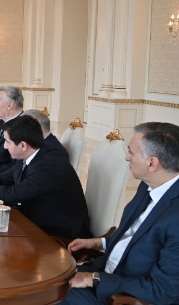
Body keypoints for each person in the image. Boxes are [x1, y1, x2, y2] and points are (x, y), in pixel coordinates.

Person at [63, 122, 179, 305]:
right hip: (104, 272)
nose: (126, 157)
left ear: (152, 163)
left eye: (131, 152)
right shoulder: (148, 185)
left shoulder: (175, 218)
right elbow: (135, 237)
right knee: (42, 279)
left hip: (121, 296)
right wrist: (99, 242)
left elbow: (163, 291)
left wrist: (94, 279)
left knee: (41, 296)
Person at [0, 115, 91, 240]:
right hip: (32, 220)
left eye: (7, 142)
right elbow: (1, 178)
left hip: (58, 233)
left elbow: (13, 194)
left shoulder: (49, 165)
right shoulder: (30, 155)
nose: (4, 147)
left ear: (23, 145)